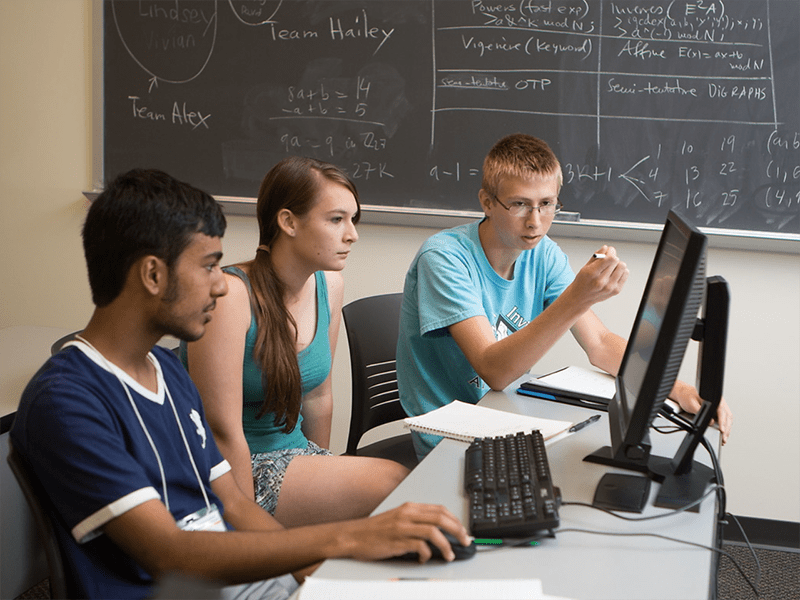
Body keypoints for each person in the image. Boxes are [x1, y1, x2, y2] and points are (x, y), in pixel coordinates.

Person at [10, 169, 469, 600]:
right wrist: (350, 538)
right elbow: (168, 553)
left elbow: (233, 504)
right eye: (209, 266)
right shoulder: (67, 401)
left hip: (237, 577)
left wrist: (316, 577)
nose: (219, 285)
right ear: (153, 275)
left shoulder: (167, 372)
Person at [396, 134, 733, 459]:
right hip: (449, 436)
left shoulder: (543, 254)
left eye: (547, 204)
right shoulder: (444, 258)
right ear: (487, 202)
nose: (535, 221)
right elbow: (494, 371)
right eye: (519, 205)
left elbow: (599, 342)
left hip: (504, 413)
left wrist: (676, 388)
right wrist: (577, 298)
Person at [181, 157, 409, 528]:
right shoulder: (229, 296)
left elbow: (318, 398)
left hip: (295, 454)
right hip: (233, 471)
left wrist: (324, 472)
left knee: (399, 497)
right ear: (288, 222)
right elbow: (221, 429)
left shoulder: (329, 285)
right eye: (336, 220)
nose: (352, 234)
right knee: (393, 485)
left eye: (354, 220)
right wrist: (248, 527)